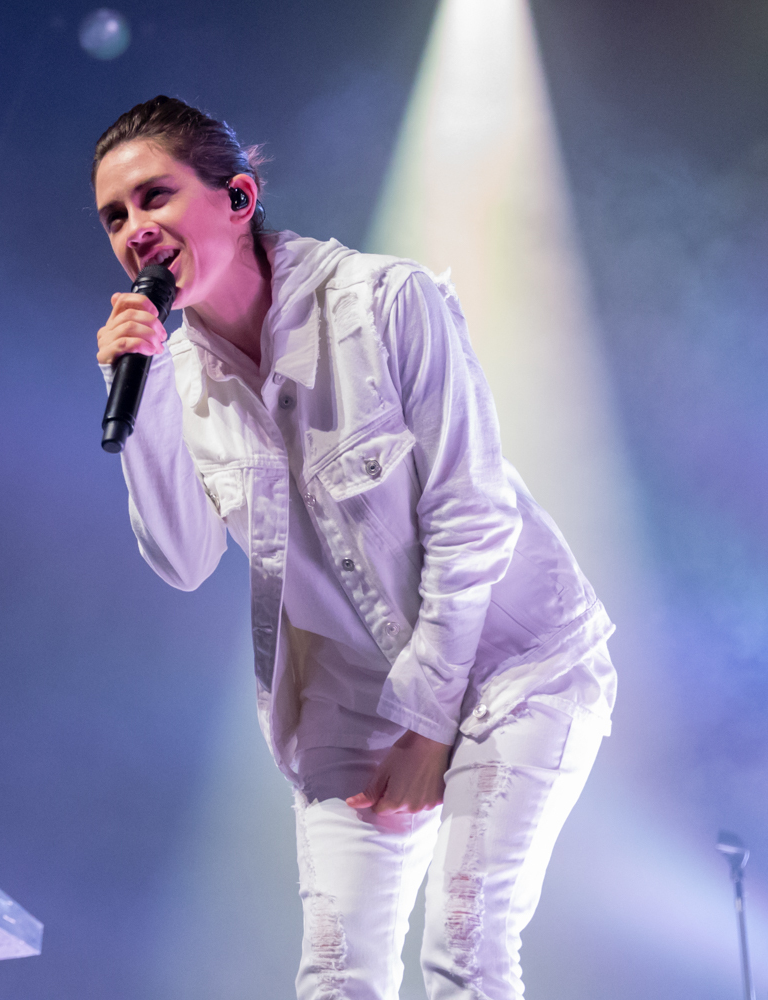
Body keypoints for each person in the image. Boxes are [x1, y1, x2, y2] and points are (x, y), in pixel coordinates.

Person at [91, 95, 617, 1000]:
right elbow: (181, 561)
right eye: (115, 216)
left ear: (240, 197)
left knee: (465, 944)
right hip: (350, 704)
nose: (135, 229)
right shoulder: (175, 380)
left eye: (155, 197)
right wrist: (133, 410)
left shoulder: (384, 302)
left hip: (513, 667)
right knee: (335, 978)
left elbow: (470, 515)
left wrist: (426, 726)